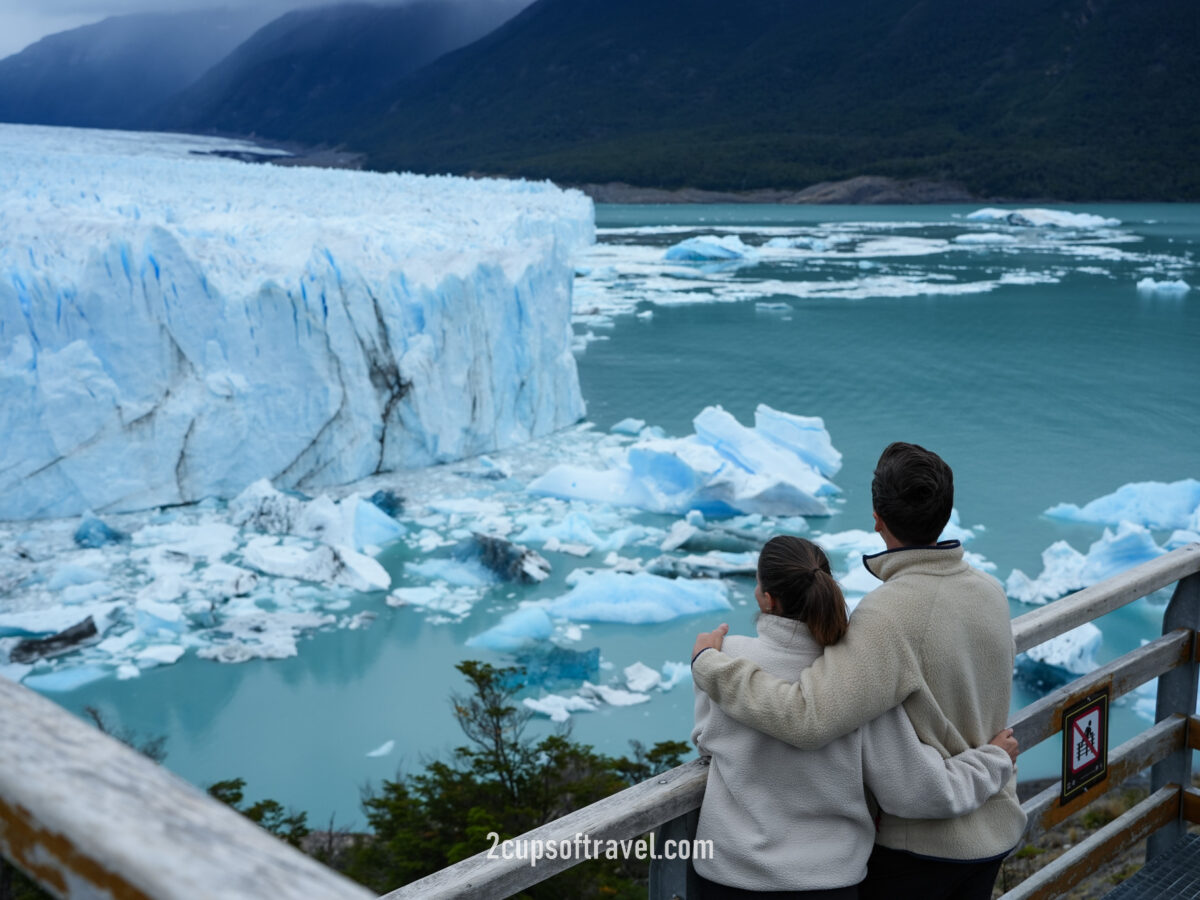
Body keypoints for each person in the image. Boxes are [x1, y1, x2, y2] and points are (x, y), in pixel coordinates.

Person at [691, 443, 1027, 900]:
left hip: (921, 849)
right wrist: (994, 760)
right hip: (991, 830)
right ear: (945, 512)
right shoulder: (991, 592)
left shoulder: (886, 616)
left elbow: (806, 718)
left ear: (877, 517)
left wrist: (711, 667)